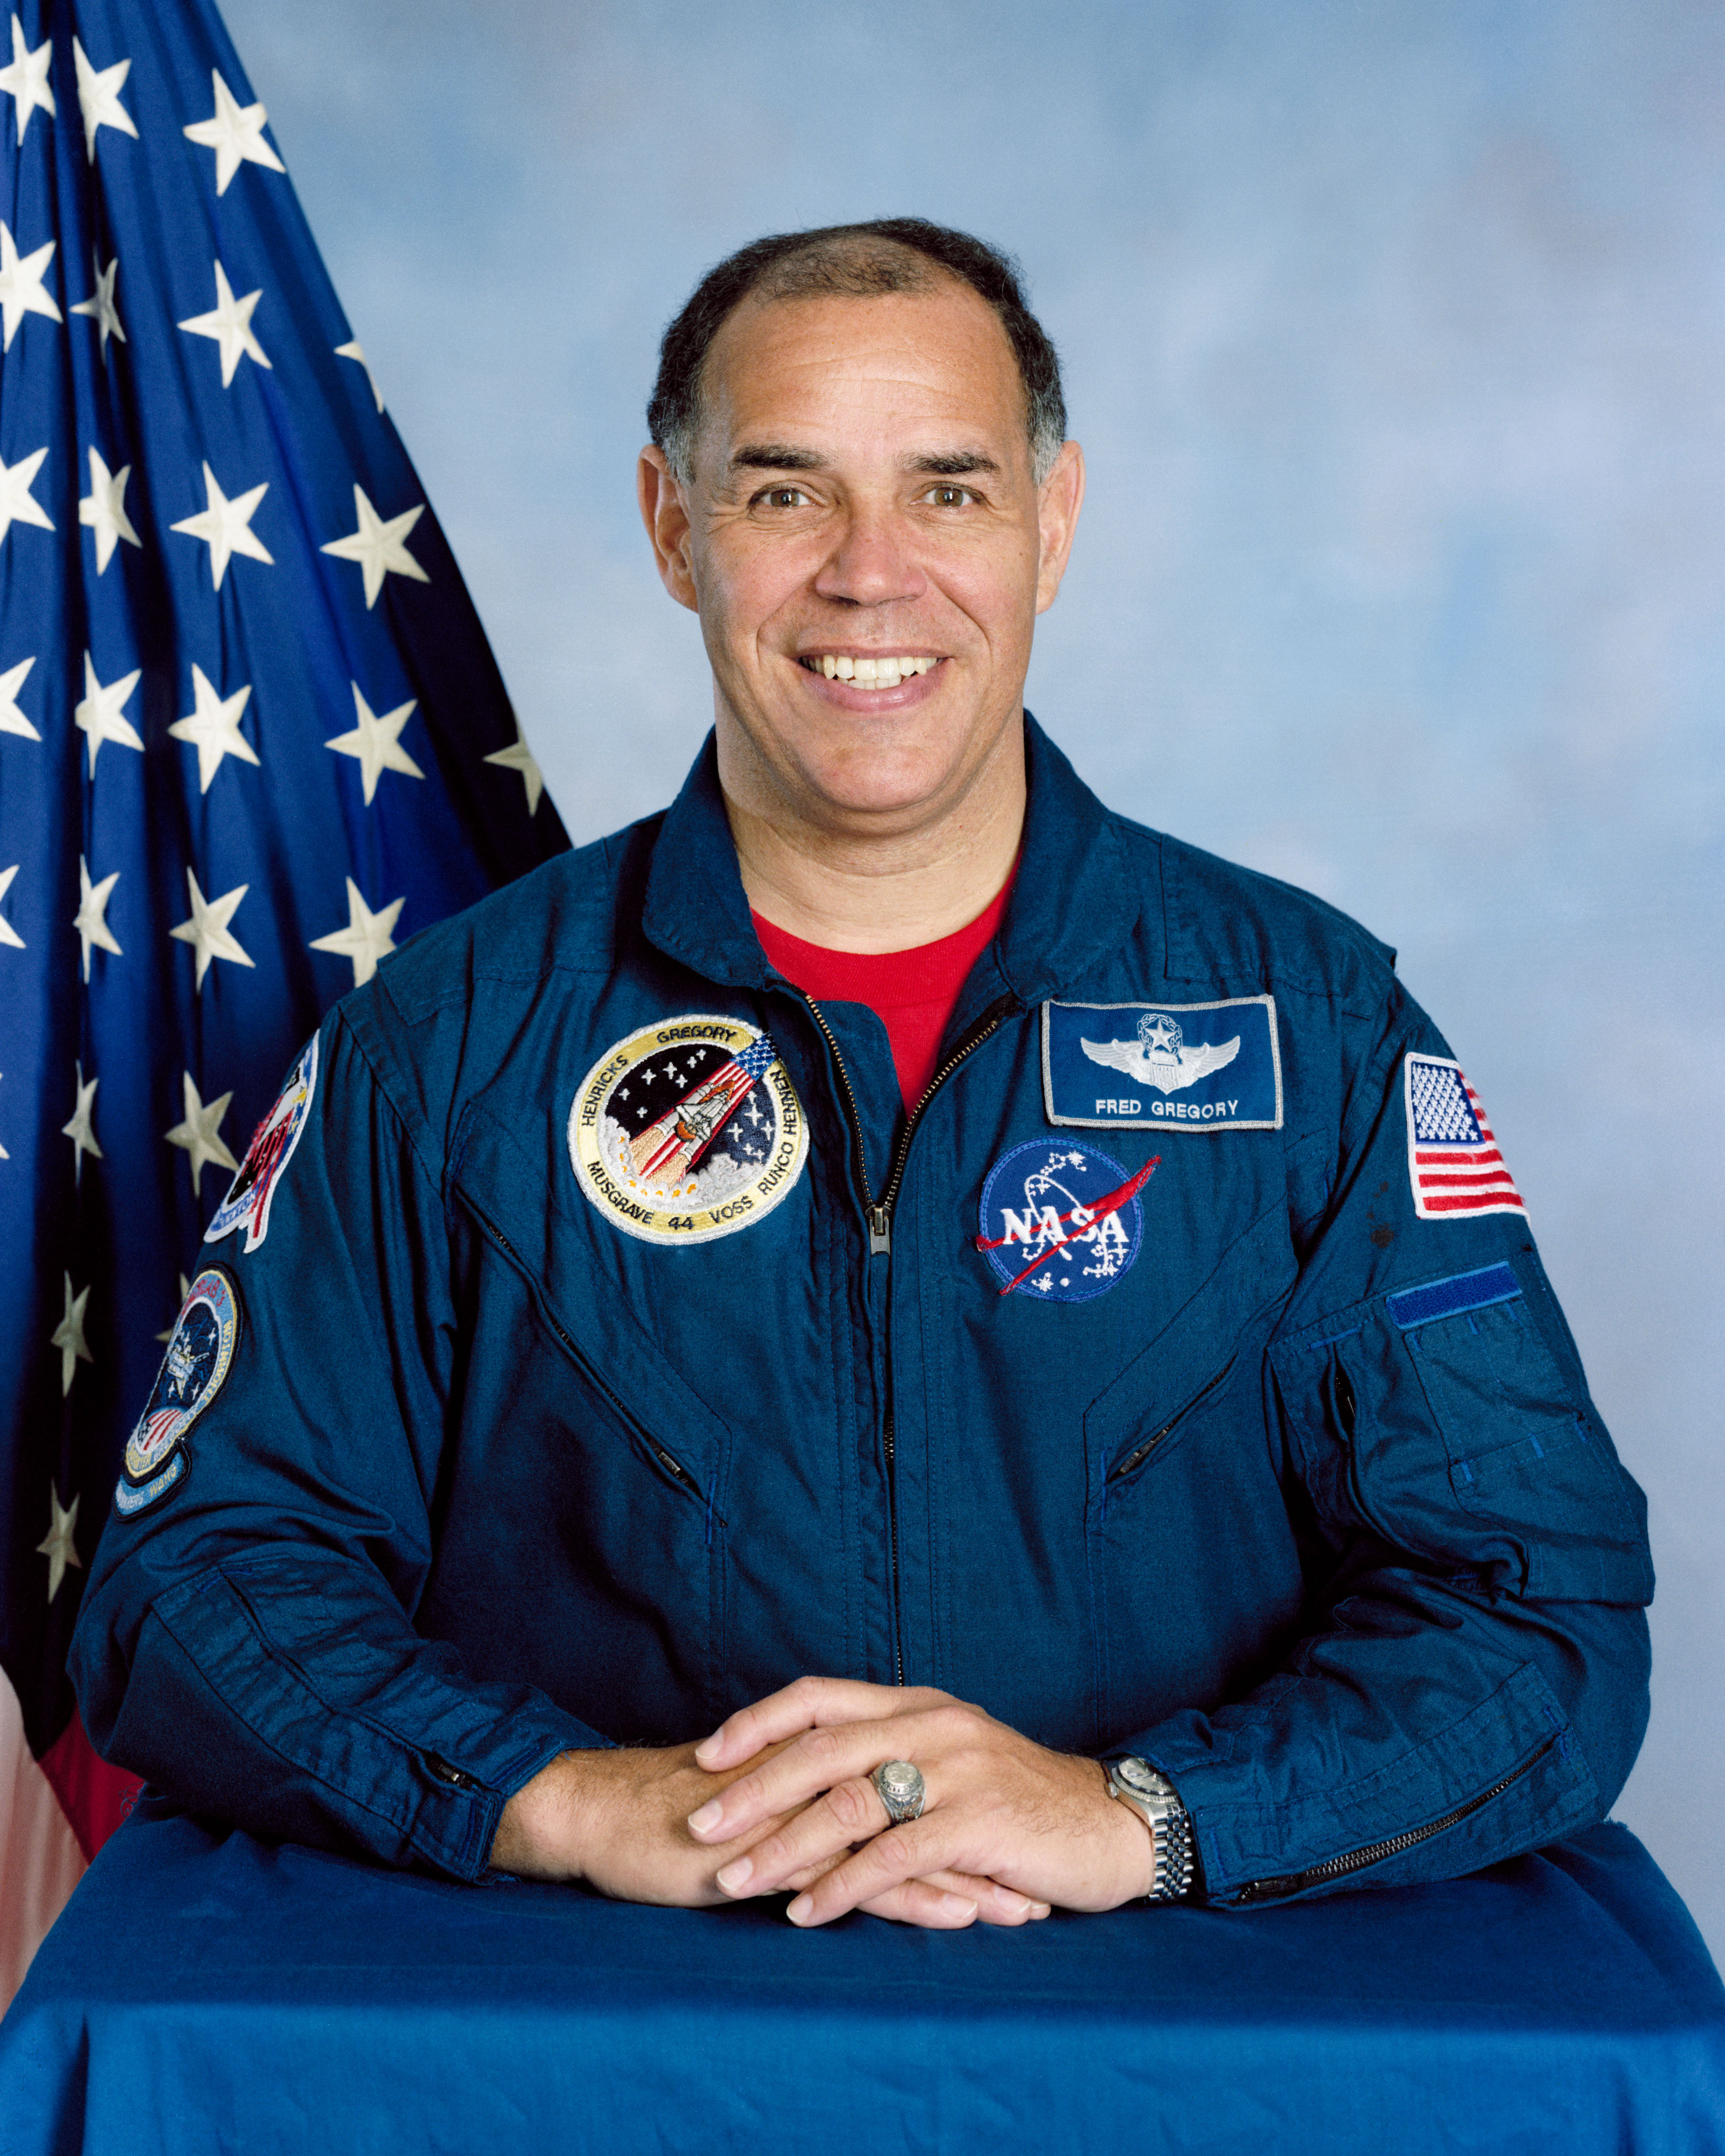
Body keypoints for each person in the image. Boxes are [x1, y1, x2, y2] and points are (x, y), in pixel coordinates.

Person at [72, 218, 1654, 1931]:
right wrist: (563, 1794)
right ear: (677, 530)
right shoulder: (445, 1048)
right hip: (598, 2037)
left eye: (951, 490)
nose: (871, 572)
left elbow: (1534, 1597)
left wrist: (1144, 1815)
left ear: (1052, 526)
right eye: (785, 491)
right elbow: (195, 1581)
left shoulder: (1318, 1039)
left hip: (1181, 2042)